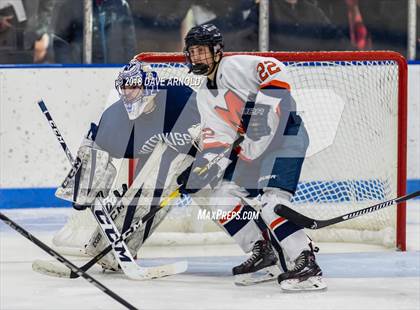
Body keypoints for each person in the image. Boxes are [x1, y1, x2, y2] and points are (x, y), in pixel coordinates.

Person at [179, 23, 326, 291]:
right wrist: (202, 170)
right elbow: (219, 141)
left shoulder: (237, 67)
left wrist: (264, 108)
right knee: (221, 199)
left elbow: (275, 69)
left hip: (285, 138)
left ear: (217, 51)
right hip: (253, 149)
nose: (197, 57)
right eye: (192, 52)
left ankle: (306, 263)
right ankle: (264, 254)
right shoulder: (204, 95)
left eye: (202, 51)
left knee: (272, 204)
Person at [56, 59, 201, 270]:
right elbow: (95, 146)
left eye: (133, 86)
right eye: (124, 87)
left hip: (188, 158)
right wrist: (84, 185)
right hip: (151, 157)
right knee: (140, 196)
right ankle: (107, 250)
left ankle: (262, 242)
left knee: (153, 194)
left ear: (149, 85)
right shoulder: (115, 115)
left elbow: (211, 128)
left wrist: (200, 166)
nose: (127, 93)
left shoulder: (178, 97)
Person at [53, 0, 136, 63]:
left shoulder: (120, 5)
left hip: (113, 72)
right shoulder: (70, 5)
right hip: (80, 73)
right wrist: (70, 70)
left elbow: (129, 43)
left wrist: (126, 70)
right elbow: (60, 42)